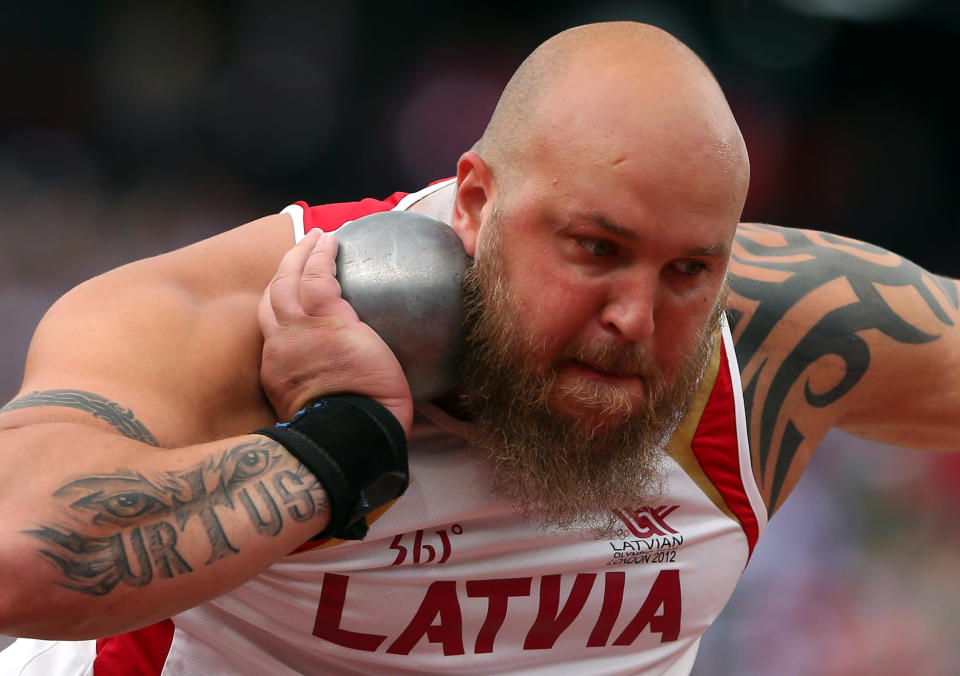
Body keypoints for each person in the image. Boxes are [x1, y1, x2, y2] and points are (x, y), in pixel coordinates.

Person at [0, 20, 957, 674]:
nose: (634, 315)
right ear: (475, 202)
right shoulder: (245, 311)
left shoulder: (776, 339)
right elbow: (19, 563)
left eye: (688, 270)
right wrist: (337, 445)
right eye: (597, 250)